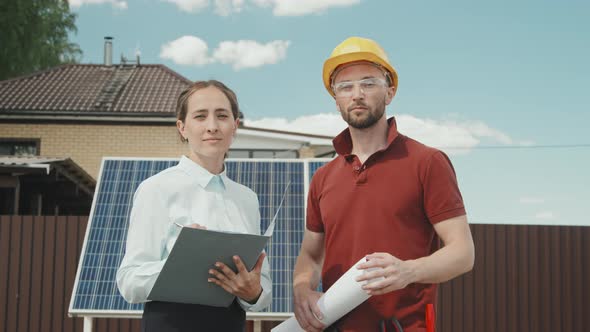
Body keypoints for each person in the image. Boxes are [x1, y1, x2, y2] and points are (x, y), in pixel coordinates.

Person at [292, 37, 475, 332]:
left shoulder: (427, 162)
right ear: (335, 98)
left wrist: (408, 270)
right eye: (345, 87)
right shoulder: (323, 177)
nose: (357, 94)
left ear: (390, 91)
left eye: (368, 83)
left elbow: (463, 253)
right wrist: (302, 288)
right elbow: (311, 255)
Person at [116, 80, 272, 332]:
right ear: (182, 127)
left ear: (235, 126)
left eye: (222, 116)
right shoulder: (156, 189)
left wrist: (253, 292)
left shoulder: (247, 199)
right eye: (200, 116)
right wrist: (177, 264)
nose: (212, 126)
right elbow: (129, 282)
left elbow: (262, 291)